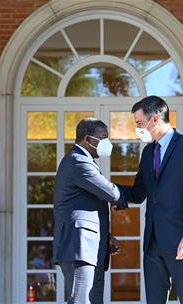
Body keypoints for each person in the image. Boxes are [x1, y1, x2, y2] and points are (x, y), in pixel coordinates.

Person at [116, 95, 183, 304]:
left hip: (182, 241)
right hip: (153, 243)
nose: (138, 128)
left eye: (140, 123)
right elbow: (139, 192)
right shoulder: (148, 151)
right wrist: (111, 192)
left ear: (155, 119)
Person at [53, 118, 122, 303]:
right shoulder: (77, 161)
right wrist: (141, 191)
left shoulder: (86, 161)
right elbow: (111, 193)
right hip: (79, 246)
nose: (107, 143)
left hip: (91, 246)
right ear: (87, 139)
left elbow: (88, 206)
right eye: (103, 137)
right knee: (80, 300)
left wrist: (106, 236)